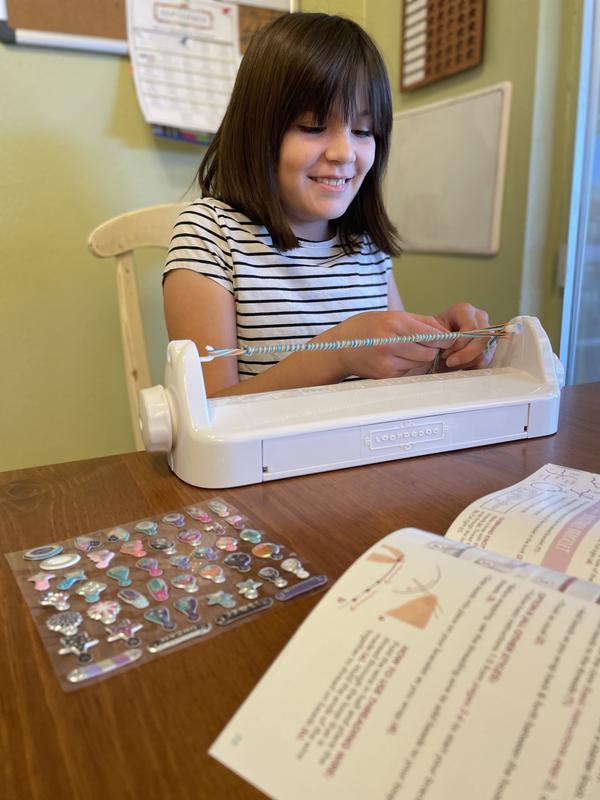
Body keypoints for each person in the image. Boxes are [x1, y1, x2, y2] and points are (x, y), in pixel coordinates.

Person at [163, 12, 490, 398]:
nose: (344, 151)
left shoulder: (366, 246)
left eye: (363, 130)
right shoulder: (210, 235)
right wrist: (338, 355)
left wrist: (443, 351)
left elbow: (397, 381)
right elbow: (206, 412)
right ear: (257, 130)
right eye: (313, 126)